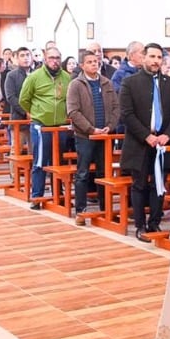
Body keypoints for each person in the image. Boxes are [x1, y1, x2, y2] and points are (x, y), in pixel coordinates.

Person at [119, 43, 170, 242]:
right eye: (152, 57)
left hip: (161, 142)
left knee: (159, 183)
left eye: (158, 57)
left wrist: (167, 135)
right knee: (139, 185)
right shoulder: (130, 82)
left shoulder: (169, 83)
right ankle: (140, 225)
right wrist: (147, 136)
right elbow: (127, 114)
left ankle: (155, 221)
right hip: (139, 142)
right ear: (143, 57)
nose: (155, 61)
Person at [67, 49, 120, 224]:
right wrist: (91, 129)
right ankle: (80, 211)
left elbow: (115, 108)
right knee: (82, 173)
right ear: (82, 65)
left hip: (105, 135)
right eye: (89, 62)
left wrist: (109, 127)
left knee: (104, 172)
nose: (94, 64)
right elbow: (73, 111)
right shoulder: (76, 84)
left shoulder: (106, 83)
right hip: (85, 136)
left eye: (96, 61)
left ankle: (106, 210)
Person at [19, 46, 74, 208]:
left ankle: (59, 195)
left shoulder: (67, 77)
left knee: (60, 162)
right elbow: (24, 99)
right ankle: (37, 197)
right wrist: (37, 112)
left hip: (61, 126)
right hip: (41, 126)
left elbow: (70, 99)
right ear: (45, 59)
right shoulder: (34, 77)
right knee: (40, 161)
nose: (55, 61)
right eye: (51, 58)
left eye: (57, 58)